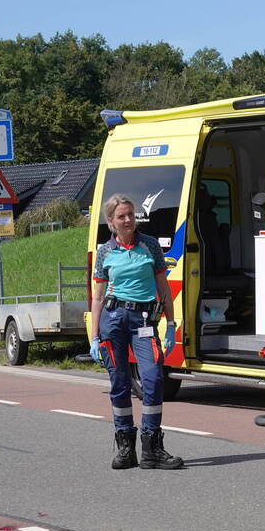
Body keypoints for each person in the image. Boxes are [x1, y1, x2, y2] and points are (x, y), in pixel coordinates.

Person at [90, 193, 183, 471]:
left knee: (153, 379)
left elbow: (163, 287)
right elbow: (97, 297)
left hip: (143, 319)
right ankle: (125, 448)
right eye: (122, 216)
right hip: (113, 318)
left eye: (131, 214)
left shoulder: (150, 245)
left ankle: (152, 448)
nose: (129, 220)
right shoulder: (104, 251)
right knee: (119, 383)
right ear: (111, 222)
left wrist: (170, 324)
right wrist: (94, 337)